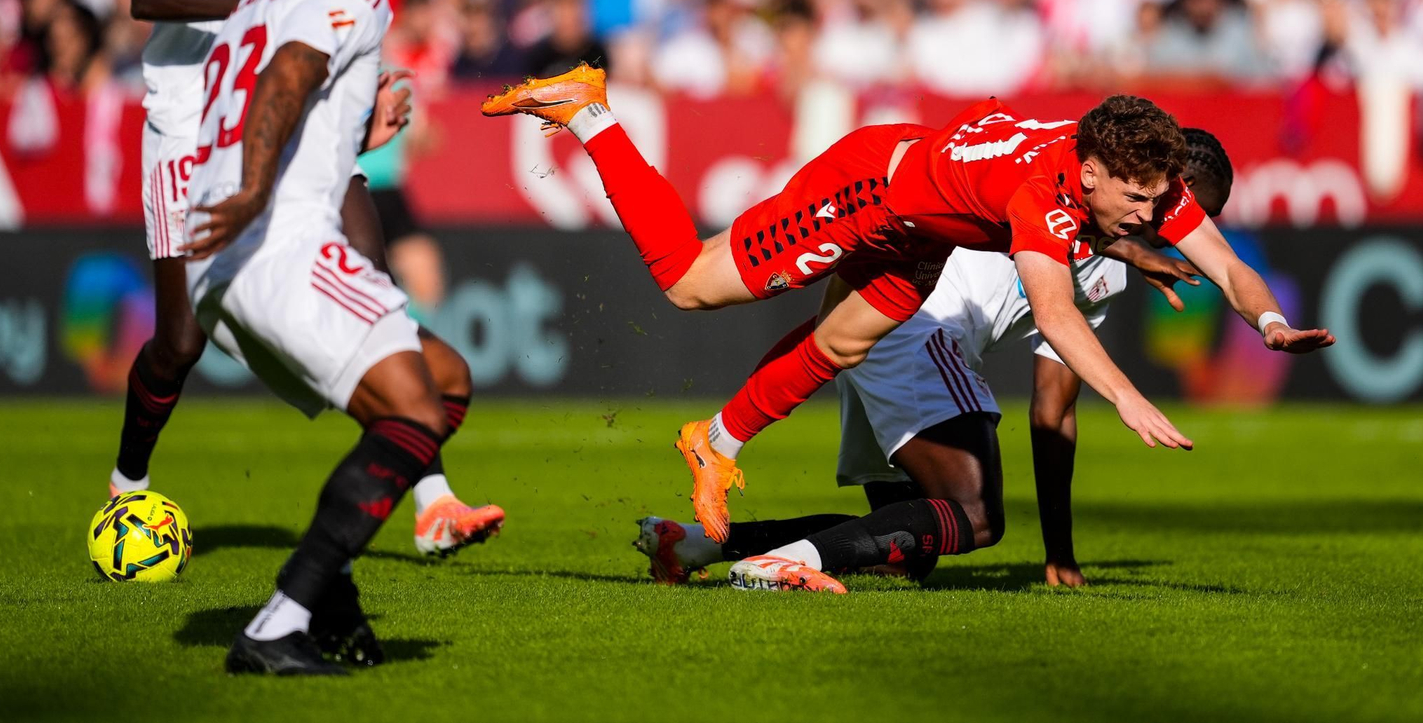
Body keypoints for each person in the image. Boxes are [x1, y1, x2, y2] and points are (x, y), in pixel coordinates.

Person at [482, 67, 1333, 544]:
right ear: (1092, 174)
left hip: (924, 234)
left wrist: (1269, 323)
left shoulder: (1134, 173)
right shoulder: (1044, 195)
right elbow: (1057, 314)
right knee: (686, 280)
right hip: (867, 194)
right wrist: (1129, 398)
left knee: (843, 344)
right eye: (1138, 202)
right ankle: (589, 111)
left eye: (1157, 202)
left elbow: (1227, 265)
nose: (1151, 215)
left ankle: (715, 442)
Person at [109, 0, 501, 555]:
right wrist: (260, 4)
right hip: (191, 130)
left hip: (292, 127)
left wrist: (364, 103)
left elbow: (328, 31)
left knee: (374, 276)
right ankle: (126, 485)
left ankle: (433, 499)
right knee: (178, 344)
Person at [636, 130, 1232, 593]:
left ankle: (692, 544)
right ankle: (781, 564)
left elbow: (1054, 407)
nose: (1186, 229)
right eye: (1195, 211)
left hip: (887, 334)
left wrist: (1059, 551)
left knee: (905, 550)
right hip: (915, 324)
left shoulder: (1108, 263)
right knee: (976, 516)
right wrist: (1061, 550)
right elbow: (1052, 408)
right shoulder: (1060, 197)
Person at [183, 0, 452, 674]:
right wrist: (255, 191)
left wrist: (357, 134)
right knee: (417, 412)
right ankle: (284, 620)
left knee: (445, 380)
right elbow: (290, 74)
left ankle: (328, 602)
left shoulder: (252, 5)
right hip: (276, 243)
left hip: (217, 259)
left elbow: (278, 99)